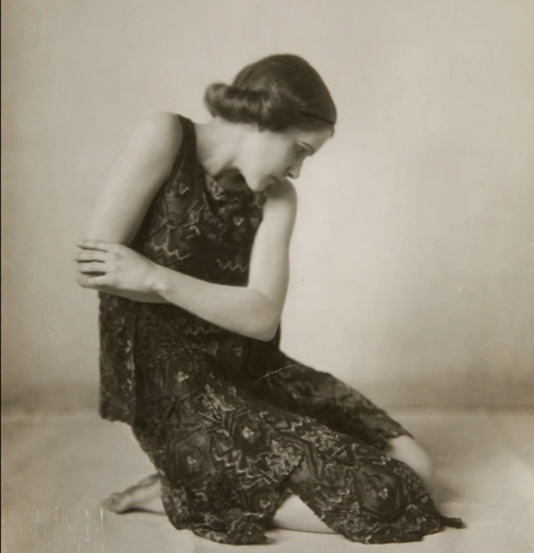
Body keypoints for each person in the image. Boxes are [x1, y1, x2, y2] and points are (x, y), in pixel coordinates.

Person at [75, 54, 463, 545]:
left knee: (419, 469)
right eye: (298, 150)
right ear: (261, 120)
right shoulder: (165, 135)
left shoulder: (277, 198)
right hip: (173, 383)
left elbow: (261, 318)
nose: (296, 170)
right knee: (392, 498)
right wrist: (164, 285)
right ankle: (185, 490)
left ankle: (206, 486)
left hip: (249, 365)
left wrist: (153, 276)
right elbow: (94, 268)